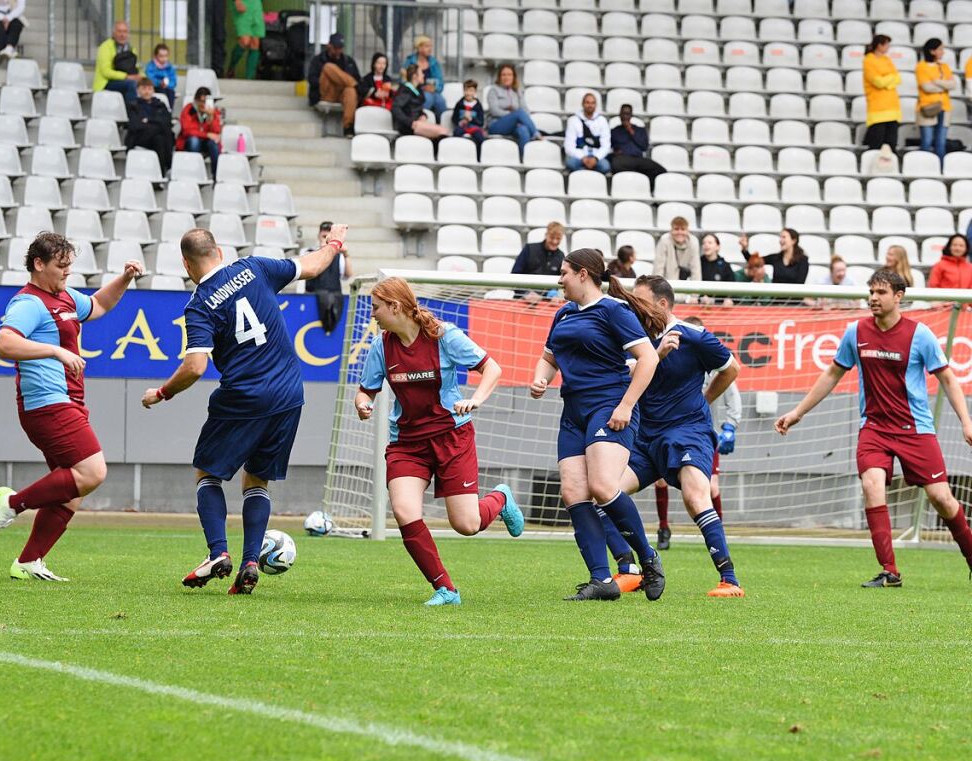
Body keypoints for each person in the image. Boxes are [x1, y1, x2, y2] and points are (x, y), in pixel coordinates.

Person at [140, 225, 350, 595]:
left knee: (208, 473)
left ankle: (218, 553)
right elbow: (314, 267)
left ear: (187, 265)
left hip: (243, 396)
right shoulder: (254, 268)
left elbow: (195, 367)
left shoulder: (199, 304)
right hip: (288, 393)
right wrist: (333, 244)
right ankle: (252, 560)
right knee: (256, 480)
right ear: (219, 251)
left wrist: (162, 393)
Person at [775, 269, 972, 588]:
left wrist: (966, 422)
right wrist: (798, 412)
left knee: (942, 498)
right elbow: (832, 374)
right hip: (875, 429)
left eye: (880, 292)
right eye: (871, 292)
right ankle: (890, 571)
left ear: (899, 296)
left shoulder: (919, 335)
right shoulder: (856, 332)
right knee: (872, 485)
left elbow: (948, 378)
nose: (873, 298)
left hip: (915, 429)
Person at [0, 233, 143, 580]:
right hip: (47, 404)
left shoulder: (66, 297)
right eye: (60, 267)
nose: (66, 274)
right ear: (38, 265)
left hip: (67, 402)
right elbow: (3, 342)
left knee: (73, 489)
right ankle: (12, 503)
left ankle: (28, 562)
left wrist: (125, 278)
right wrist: (55, 351)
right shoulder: (29, 303)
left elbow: (99, 306)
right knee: (92, 472)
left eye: (70, 268)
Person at [355, 277, 525, 606]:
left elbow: (492, 368)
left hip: (452, 438)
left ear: (394, 306)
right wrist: (363, 403)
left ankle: (500, 499)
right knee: (405, 511)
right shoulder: (382, 346)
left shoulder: (443, 335)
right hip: (407, 443)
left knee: (466, 524)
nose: (372, 314)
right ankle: (446, 589)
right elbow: (366, 389)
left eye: (376, 307)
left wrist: (475, 399)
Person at [529, 249, 666, 602]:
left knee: (603, 487)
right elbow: (549, 358)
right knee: (574, 493)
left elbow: (648, 359)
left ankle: (648, 558)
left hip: (609, 407)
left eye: (564, 272)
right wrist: (540, 380)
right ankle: (602, 579)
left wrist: (626, 404)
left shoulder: (613, 311)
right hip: (573, 411)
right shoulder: (563, 313)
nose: (559, 279)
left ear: (583, 275)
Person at [614, 275, 744, 597]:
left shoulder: (694, 336)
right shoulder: (636, 340)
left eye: (641, 301)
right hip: (645, 439)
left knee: (695, 496)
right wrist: (656, 354)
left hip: (688, 433)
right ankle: (633, 569)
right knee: (605, 493)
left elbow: (731, 368)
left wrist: (706, 400)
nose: (635, 307)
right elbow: (627, 373)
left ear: (661, 304)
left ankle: (729, 580)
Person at [652, 315, 742, 550]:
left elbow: (733, 391)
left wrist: (730, 426)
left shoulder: (713, 361)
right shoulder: (667, 359)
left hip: (700, 434)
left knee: (711, 488)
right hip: (667, 431)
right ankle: (663, 528)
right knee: (660, 481)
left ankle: (717, 535)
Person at [307, 33, 362, 137]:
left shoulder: (348, 61)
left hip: (342, 93)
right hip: (325, 91)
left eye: (340, 48)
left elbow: (357, 77)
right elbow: (312, 79)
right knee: (328, 67)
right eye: (335, 48)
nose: (338, 51)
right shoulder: (318, 60)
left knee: (350, 91)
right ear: (329, 46)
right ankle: (354, 85)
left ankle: (348, 127)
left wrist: (340, 80)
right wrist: (331, 78)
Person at [305, 221, 352, 334]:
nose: (325, 239)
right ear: (319, 236)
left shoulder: (340, 256)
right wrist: (322, 251)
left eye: (328, 236)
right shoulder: (308, 252)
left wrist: (346, 254)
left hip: (334, 298)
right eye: (323, 236)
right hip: (312, 302)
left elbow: (349, 274)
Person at [485, 64, 541, 157]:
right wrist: (512, 115)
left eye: (509, 74)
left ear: (513, 77)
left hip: (513, 124)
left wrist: (516, 118)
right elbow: (494, 111)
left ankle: (523, 158)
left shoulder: (517, 91)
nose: (506, 77)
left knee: (523, 130)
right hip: (496, 124)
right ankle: (536, 134)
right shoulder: (493, 90)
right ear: (499, 77)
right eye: (504, 75)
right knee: (518, 113)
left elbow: (525, 110)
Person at [915, 38, 957, 161]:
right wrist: (944, 85)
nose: (943, 52)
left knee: (941, 143)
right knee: (927, 142)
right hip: (927, 108)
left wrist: (936, 82)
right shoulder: (921, 66)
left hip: (944, 107)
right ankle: (924, 169)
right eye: (940, 49)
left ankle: (940, 169)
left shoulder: (944, 66)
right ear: (932, 51)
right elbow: (927, 87)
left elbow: (953, 84)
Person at [125, 78, 175, 174]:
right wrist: (157, 123)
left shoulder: (160, 105)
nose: (147, 92)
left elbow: (167, 121)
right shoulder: (133, 106)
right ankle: (167, 167)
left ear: (153, 90)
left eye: (149, 89)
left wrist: (149, 120)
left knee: (159, 138)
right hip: (140, 137)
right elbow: (136, 125)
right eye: (144, 89)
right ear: (138, 90)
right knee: (162, 132)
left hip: (156, 137)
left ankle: (159, 174)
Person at [609, 103, 666, 186]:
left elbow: (644, 146)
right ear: (620, 115)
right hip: (623, 159)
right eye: (623, 114)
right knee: (615, 164)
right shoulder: (614, 131)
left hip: (638, 159)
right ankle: (637, 177)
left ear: (631, 115)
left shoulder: (640, 130)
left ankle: (648, 189)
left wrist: (631, 131)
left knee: (660, 170)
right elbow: (608, 146)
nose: (625, 116)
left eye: (627, 114)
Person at [862, 34, 901, 151]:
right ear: (879, 45)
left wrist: (886, 80)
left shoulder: (887, 60)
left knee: (891, 144)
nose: (888, 47)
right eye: (887, 44)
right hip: (877, 108)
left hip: (892, 107)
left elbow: (898, 78)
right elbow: (878, 82)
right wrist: (890, 79)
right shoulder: (868, 60)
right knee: (876, 143)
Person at [391, 64, 449, 139]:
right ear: (415, 76)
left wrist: (423, 115)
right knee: (442, 131)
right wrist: (410, 122)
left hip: (417, 122)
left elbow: (415, 108)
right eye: (421, 73)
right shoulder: (406, 90)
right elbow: (395, 108)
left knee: (443, 131)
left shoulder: (417, 90)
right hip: (409, 126)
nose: (423, 75)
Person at [512, 221, 565, 302]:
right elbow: (515, 275)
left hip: (546, 303)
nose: (555, 241)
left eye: (558, 238)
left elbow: (561, 281)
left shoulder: (561, 256)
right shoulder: (529, 249)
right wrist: (525, 293)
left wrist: (554, 294)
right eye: (552, 237)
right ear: (546, 235)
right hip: (522, 301)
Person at [177, 86, 222, 177]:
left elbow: (216, 132)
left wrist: (211, 117)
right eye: (201, 101)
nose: (203, 104)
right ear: (195, 100)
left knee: (214, 144)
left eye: (206, 101)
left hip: (206, 142)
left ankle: (216, 176)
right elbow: (187, 131)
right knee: (194, 141)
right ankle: (193, 174)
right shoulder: (188, 109)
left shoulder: (214, 111)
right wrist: (207, 134)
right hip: (189, 141)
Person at [739, 228, 808, 285]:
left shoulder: (803, 260)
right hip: (776, 298)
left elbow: (800, 283)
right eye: (780, 237)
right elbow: (754, 262)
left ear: (793, 240)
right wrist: (745, 248)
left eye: (784, 237)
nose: (780, 240)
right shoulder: (776, 258)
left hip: (794, 300)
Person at [93, 20, 140, 104]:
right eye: (119, 31)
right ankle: (132, 113)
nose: (122, 35)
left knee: (147, 85)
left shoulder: (131, 49)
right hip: (107, 82)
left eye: (125, 32)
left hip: (126, 81)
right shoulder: (105, 47)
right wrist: (126, 77)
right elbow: (106, 72)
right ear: (114, 33)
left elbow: (136, 68)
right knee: (131, 84)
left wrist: (142, 77)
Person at [564, 93, 611, 174]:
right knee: (570, 163)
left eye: (592, 103)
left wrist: (596, 158)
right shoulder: (573, 120)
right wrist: (583, 158)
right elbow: (568, 146)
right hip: (579, 156)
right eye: (587, 102)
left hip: (597, 156)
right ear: (583, 104)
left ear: (596, 105)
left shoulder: (602, 121)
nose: (590, 105)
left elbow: (606, 146)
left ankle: (585, 173)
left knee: (605, 166)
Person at [401, 35, 446, 120]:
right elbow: (404, 80)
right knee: (427, 98)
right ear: (419, 47)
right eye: (427, 46)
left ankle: (440, 122)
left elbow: (440, 81)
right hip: (415, 92)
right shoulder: (410, 61)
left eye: (430, 46)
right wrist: (419, 88)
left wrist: (435, 88)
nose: (430, 49)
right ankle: (419, 120)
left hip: (433, 91)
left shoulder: (434, 62)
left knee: (440, 101)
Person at [226, 0, 265, 80]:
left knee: (255, 42)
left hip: (255, 4)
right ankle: (231, 68)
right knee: (245, 41)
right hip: (242, 3)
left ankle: (249, 78)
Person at [655, 216, 700, 283]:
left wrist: (696, 291)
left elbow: (696, 268)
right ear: (671, 230)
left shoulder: (693, 242)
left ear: (687, 231)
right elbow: (659, 267)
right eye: (676, 229)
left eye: (683, 229)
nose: (679, 232)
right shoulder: (664, 240)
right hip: (666, 283)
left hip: (686, 283)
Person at [451, 79, 486, 156]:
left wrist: (471, 119)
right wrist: (460, 122)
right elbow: (454, 118)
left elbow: (481, 122)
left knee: (480, 138)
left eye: (471, 90)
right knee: (456, 134)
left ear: (475, 92)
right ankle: (456, 154)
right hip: (462, 127)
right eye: (466, 90)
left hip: (474, 128)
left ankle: (478, 156)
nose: (468, 93)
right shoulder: (459, 104)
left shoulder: (478, 106)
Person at [699, 233, 735, 306]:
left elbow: (732, 288)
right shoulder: (697, 263)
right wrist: (700, 297)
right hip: (701, 306)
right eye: (704, 243)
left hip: (720, 307)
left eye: (710, 243)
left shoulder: (725, 266)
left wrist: (729, 299)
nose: (706, 245)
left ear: (717, 247)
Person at [145, 43, 177, 108]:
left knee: (171, 92)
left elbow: (173, 81)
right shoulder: (151, 66)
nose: (164, 58)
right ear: (155, 56)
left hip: (167, 88)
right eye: (161, 56)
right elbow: (149, 78)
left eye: (166, 56)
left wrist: (167, 84)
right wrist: (159, 83)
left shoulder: (170, 67)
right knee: (162, 91)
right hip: (155, 87)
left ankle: (168, 111)